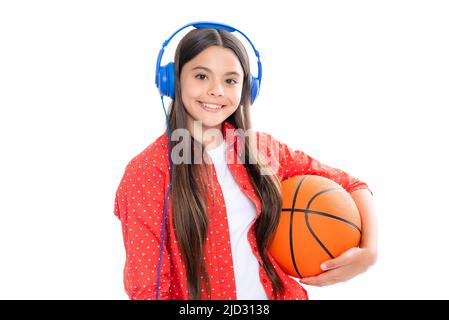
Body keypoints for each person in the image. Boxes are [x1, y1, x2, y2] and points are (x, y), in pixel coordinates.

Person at [113, 23, 377, 300]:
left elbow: (353, 184)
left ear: (247, 90)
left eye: (230, 80)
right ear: (172, 80)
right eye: (201, 76)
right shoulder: (147, 172)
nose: (216, 90)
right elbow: (148, 289)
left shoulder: (263, 150)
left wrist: (369, 253)